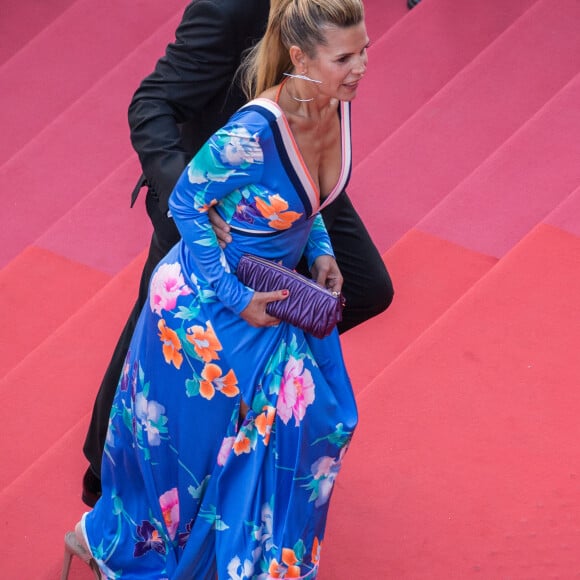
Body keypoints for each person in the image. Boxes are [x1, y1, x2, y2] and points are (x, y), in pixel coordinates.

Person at [63, 0, 372, 576]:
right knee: (235, 460)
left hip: (269, 297)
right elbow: (184, 198)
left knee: (319, 430)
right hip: (214, 302)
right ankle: (106, 531)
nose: (361, 68)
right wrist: (235, 294)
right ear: (301, 56)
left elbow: (306, 194)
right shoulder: (254, 122)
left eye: (364, 52)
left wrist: (322, 249)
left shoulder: (335, 99)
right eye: (346, 58)